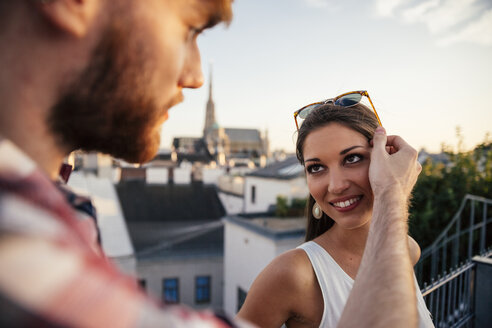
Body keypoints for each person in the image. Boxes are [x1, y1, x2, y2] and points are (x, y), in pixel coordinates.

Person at [0, 1, 422, 327]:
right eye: (189, 28)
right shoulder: (20, 250)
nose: (196, 75)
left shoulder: (53, 215)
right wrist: (391, 196)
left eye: (352, 160)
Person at [237, 95, 433, 327]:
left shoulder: (407, 248)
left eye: (352, 158)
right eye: (316, 167)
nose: (336, 185)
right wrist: (392, 193)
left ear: (386, 157)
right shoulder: (292, 275)